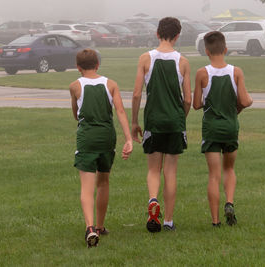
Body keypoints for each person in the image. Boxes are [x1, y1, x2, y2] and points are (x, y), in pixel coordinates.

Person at [132, 17, 192, 232]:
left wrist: (134, 122)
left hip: (153, 122)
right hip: (175, 122)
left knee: (153, 169)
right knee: (171, 172)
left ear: (157, 33)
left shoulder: (145, 59)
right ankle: (168, 220)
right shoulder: (183, 62)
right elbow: (187, 100)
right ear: (177, 36)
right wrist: (180, 118)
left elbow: (138, 93)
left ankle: (152, 199)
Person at [69, 49, 133, 247]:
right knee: (103, 182)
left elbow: (76, 114)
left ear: (78, 67)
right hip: (107, 137)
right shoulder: (111, 84)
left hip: (87, 138)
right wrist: (128, 139)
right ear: (98, 64)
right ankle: (100, 226)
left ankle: (89, 228)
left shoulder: (75, 86)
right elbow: (120, 111)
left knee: (87, 187)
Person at [193, 31, 253, 227]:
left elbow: (196, 104)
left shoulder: (202, 73)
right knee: (229, 168)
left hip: (211, 128)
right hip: (230, 126)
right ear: (226, 49)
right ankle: (229, 202)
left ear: (206, 51)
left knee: (214, 174)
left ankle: (215, 221)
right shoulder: (236, 72)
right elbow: (244, 100)